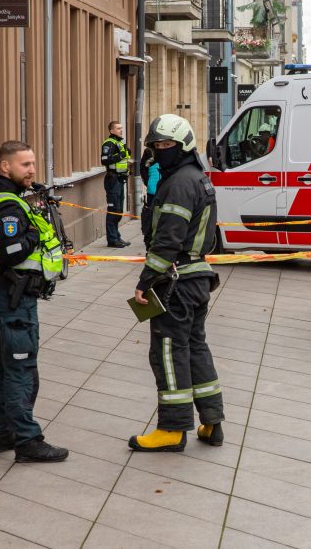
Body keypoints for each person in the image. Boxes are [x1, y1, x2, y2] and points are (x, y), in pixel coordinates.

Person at [128, 114, 225, 452]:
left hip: (175, 283)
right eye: (156, 145)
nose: (160, 151)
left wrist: (145, 280)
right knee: (195, 347)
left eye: (167, 145)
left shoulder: (178, 183)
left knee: (168, 352)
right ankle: (212, 422)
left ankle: (172, 429)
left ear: (183, 145)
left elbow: (168, 239)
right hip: (196, 277)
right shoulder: (198, 178)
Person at [0, 141, 69, 463]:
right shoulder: (8, 206)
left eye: (32, 163)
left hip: (9, 293)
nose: (32, 169)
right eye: (25, 164)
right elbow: (13, 251)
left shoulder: (6, 198)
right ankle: (27, 440)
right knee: (21, 368)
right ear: (5, 167)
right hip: (14, 296)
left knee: (4, 365)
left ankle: (2, 434)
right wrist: (36, 233)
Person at [100, 120, 131, 248]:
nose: (121, 130)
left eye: (121, 128)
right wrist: (121, 155)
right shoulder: (109, 143)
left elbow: (124, 161)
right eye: (118, 128)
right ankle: (112, 240)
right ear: (112, 130)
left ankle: (116, 236)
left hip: (120, 179)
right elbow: (104, 160)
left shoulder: (119, 143)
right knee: (113, 210)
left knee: (118, 210)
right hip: (112, 180)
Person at [139, 145, 161, 250]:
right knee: (151, 215)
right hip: (152, 190)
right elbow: (142, 168)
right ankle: (150, 239)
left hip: (165, 190)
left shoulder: (168, 150)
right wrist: (148, 181)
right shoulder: (149, 151)